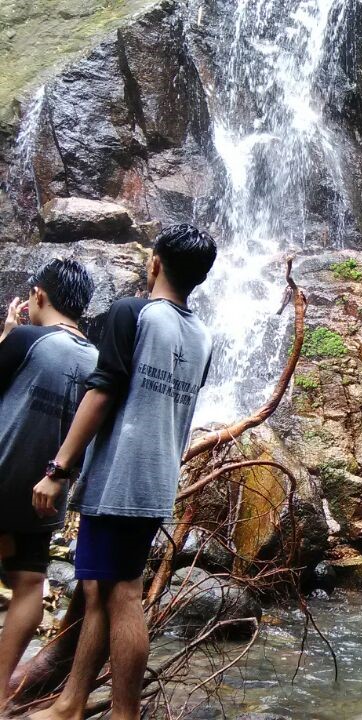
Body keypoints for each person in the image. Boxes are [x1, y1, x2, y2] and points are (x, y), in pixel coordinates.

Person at [30, 224, 216, 720]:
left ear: (154, 263)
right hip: (157, 478)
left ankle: (125, 713)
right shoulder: (203, 336)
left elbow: (103, 391)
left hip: (119, 477)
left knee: (125, 594)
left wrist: (59, 467)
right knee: (97, 589)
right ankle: (70, 702)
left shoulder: (132, 312)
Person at [0, 260, 98, 703]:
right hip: (46, 490)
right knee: (28, 583)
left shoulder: (26, 339)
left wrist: (5, 334)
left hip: (2, 468)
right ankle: (0, 693)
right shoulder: (99, 361)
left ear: (39, 296)